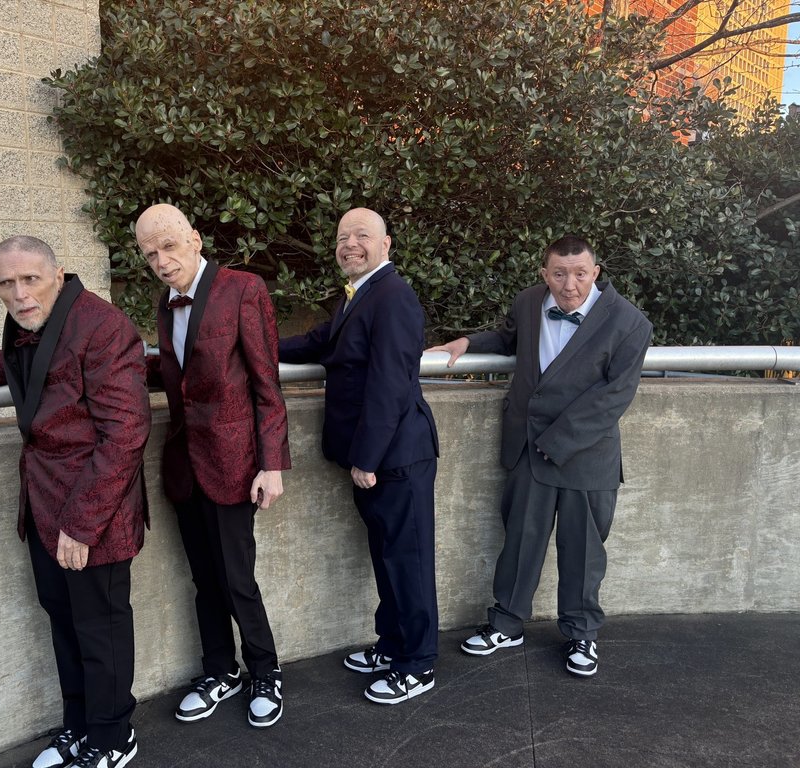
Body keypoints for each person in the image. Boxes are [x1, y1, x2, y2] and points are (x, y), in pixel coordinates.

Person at [0, 236, 150, 768]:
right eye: (5, 283)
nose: (18, 294)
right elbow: (18, 363)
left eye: (29, 279)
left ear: (57, 275)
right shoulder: (34, 322)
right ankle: (79, 727)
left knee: (100, 628)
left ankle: (113, 739)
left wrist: (82, 525)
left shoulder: (105, 328)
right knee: (63, 621)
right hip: (43, 506)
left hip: (94, 513)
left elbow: (126, 434)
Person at [428, 235, 652, 677]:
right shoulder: (529, 302)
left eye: (580, 273)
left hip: (585, 456)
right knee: (520, 542)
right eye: (559, 273)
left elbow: (614, 397)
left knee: (584, 552)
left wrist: (556, 440)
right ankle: (507, 623)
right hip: (528, 449)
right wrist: (467, 342)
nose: (569, 284)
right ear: (544, 274)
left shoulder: (631, 323)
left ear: (596, 273)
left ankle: (581, 634)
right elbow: (508, 338)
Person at [135, 204, 291, 728]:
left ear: (196, 241)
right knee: (203, 578)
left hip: (234, 461)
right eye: (150, 253)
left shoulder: (243, 289)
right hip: (185, 462)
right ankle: (219, 671)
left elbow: (268, 385)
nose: (161, 260)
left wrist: (272, 465)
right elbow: (180, 368)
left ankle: (265, 671)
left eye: (169, 246)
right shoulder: (166, 301)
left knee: (237, 577)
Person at [279, 208, 440, 705]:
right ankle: (392, 645)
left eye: (361, 235)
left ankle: (417, 663)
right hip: (380, 459)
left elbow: (392, 385)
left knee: (407, 562)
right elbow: (318, 342)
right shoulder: (361, 295)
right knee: (387, 557)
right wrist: (251, 344)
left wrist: (366, 459)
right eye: (342, 237)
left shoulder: (393, 296)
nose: (349, 244)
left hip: (396, 458)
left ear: (386, 244)